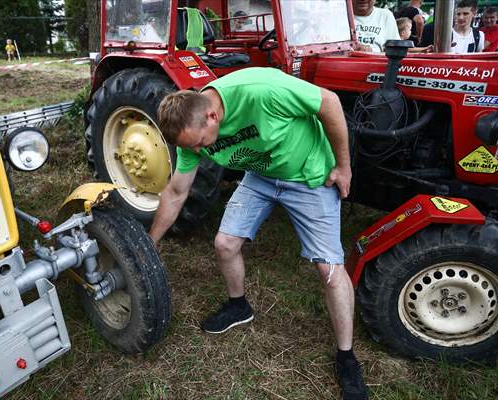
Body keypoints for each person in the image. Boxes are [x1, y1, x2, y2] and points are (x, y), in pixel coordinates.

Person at [150, 67, 368, 400]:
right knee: (224, 243)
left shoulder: (260, 90)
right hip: (261, 176)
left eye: (201, 143)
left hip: (309, 176)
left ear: (211, 115)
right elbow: (177, 192)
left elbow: (329, 102)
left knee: (328, 268)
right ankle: (239, 306)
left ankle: (346, 357)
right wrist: (149, 245)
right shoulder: (189, 133)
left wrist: (343, 166)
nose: (199, 151)